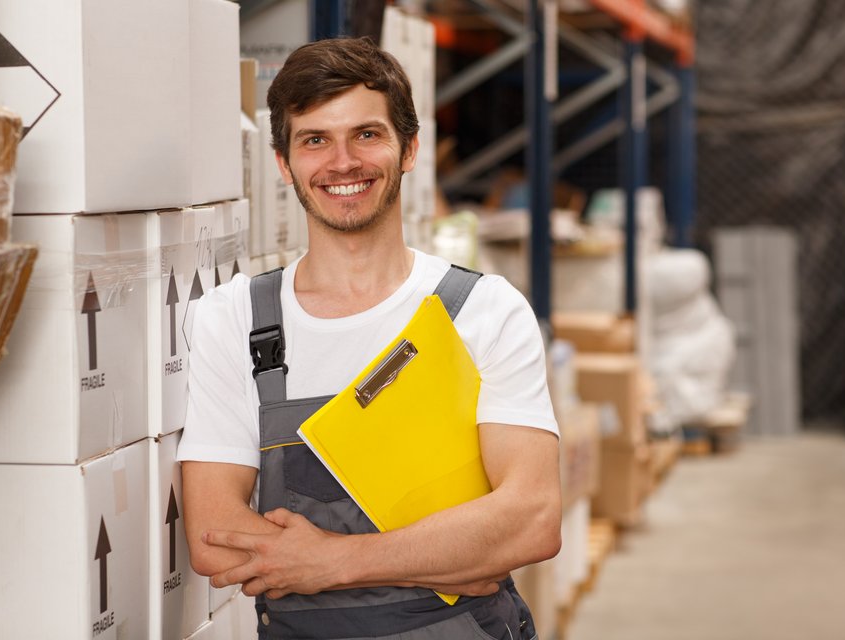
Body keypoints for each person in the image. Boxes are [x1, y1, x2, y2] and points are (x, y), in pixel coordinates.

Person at [177, 36, 561, 640]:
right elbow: (214, 540)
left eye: (367, 134)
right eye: (314, 141)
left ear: (409, 149)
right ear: (283, 163)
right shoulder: (234, 319)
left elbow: (532, 519)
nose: (343, 163)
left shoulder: (482, 311)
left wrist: (330, 561)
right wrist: (453, 552)